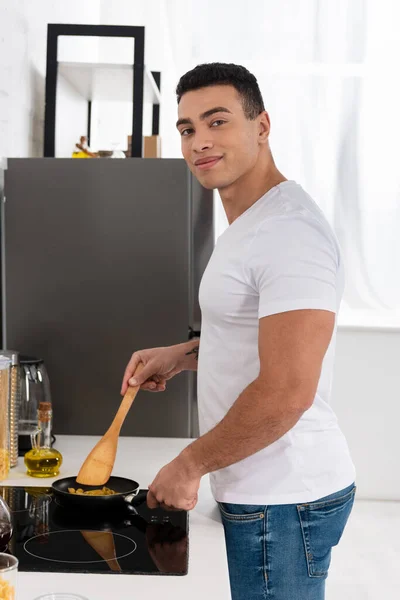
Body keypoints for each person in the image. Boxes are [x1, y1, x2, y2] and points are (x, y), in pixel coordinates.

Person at [121, 63, 356, 600]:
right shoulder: (249, 223)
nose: (200, 141)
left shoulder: (289, 233)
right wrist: (184, 354)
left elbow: (287, 391)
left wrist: (189, 463)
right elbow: (261, 339)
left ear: (262, 125)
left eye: (217, 121)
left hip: (285, 496)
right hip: (267, 488)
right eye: (186, 129)